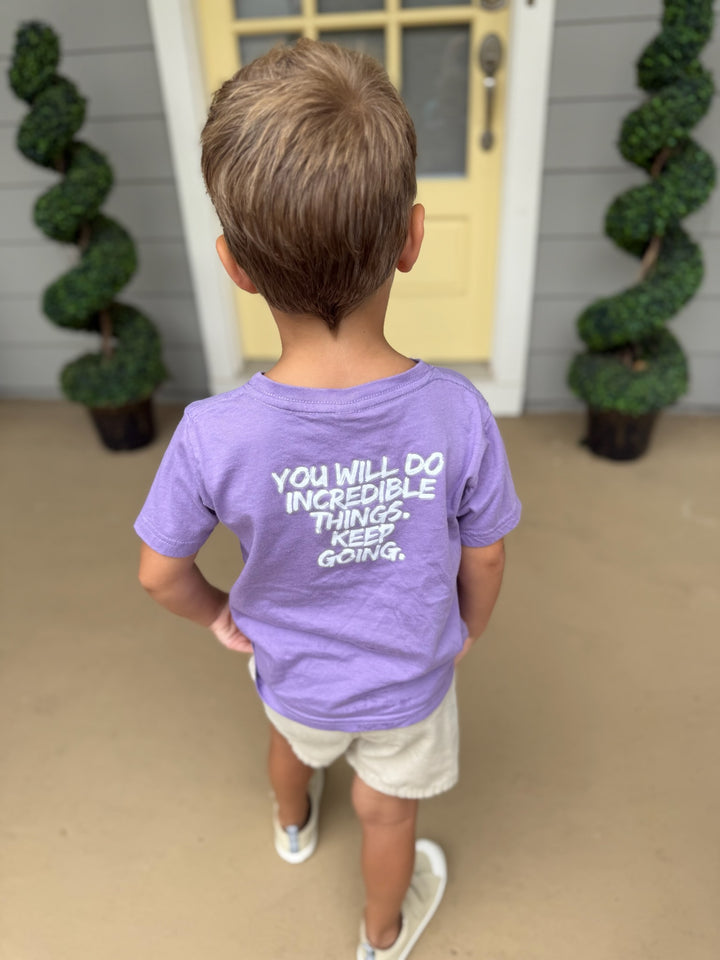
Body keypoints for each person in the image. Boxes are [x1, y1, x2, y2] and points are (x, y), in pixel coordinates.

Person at [135, 38, 521, 960]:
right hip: (407, 676)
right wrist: (467, 629)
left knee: (295, 741)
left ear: (234, 264)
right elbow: (489, 552)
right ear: (413, 239)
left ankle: (291, 821)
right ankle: (381, 935)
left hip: (292, 669)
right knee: (389, 810)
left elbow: (159, 573)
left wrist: (225, 618)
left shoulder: (213, 435)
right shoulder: (458, 414)